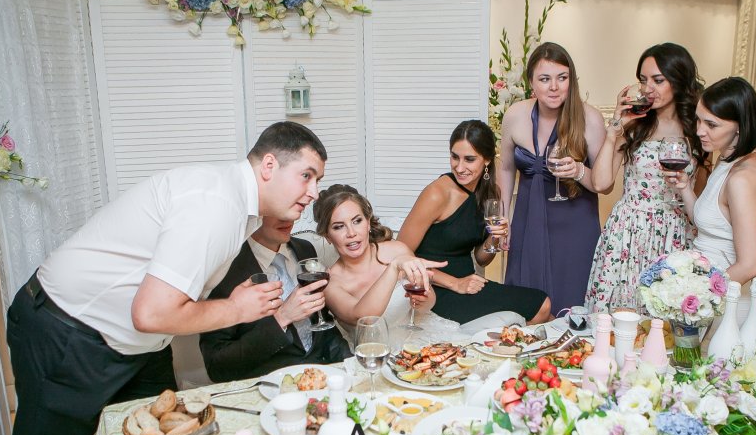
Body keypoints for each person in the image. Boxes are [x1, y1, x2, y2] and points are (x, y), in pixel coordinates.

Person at [3, 121, 326, 435]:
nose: (313, 192)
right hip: (67, 331)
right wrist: (236, 309)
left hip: (140, 348)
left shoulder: (242, 210)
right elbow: (151, 313)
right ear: (269, 165)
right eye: (307, 176)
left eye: (318, 180)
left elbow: (158, 312)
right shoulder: (215, 206)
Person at [585, 42, 706, 312]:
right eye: (643, 80)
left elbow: (701, 198)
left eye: (658, 80)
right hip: (628, 233)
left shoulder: (698, 130)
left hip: (674, 235)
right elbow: (601, 183)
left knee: (664, 321)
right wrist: (614, 128)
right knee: (617, 321)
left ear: (678, 80)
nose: (648, 88)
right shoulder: (634, 126)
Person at [398, 119, 550, 325]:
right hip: (432, 288)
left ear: (487, 160)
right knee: (541, 307)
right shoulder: (438, 193)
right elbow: (400, 257)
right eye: (455, 157)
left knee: (542, 307)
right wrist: (454, 283)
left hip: (469, 282)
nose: (459, 167)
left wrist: (494, 238)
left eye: (469, 159)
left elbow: (481, 259)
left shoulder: (490, 193)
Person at [498, 42, 607, 312]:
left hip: (574, 225)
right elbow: (506, 168)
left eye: (562, 77)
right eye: (545, 79)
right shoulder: (515, 115)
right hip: (527, 220)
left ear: (572, 80)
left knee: (571, 302)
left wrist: (579, 171)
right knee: (526, 304)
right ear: (531, 83)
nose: (554, 87)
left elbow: (604, 184)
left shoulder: (590, 119)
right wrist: (503, 216)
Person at [663, 76, 756, 319]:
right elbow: (711, 224)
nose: (699, 131)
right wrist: (685, 188)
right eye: (699, 120)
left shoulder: (742, 179)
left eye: (711, 125)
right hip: (709, 296)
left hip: (723, 304)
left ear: (740, 126)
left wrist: (696, 294)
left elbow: (750, 264)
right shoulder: (728, 161)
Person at [199, 216, 351, 381]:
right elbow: (216, 367)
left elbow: (323, 327)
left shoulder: (304, 248)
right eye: (276, 210)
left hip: (319, 378)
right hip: (269, 386)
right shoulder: (224, 267)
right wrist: (282, 318)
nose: (287, 218)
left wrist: (351, 365)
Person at [314, 184, 458, 346]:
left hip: (420, 340)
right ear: (327, 236)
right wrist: (393, 268)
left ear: (368, 223)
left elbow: (428, 300)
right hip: (374, 353)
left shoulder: (398, 250)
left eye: (357, 221)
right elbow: (364, 319)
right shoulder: (330, 283)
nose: (351, 233)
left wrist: (423, 302)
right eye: (339, 227)